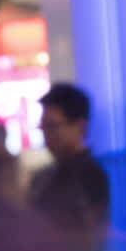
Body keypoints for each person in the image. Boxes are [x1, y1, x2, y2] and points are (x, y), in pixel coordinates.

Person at [30, 83, 111, 224]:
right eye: (43, 126)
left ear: (80, 126)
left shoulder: (93, 176)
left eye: (52, 126)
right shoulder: (44, 176)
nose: (45, 134)